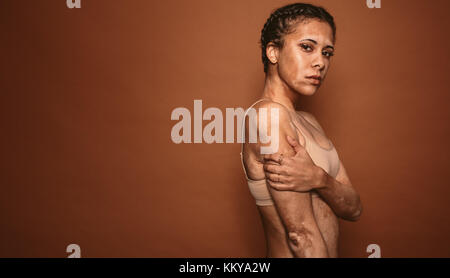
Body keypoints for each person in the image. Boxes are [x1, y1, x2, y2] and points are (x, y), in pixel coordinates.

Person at [240, 3, 363, 258]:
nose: (320, 62)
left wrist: (319, 178)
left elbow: (353, 208)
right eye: (307, 47)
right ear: (273, 52)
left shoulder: (309, 121)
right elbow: (300, 235)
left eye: (327, 52)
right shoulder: (269, 117)